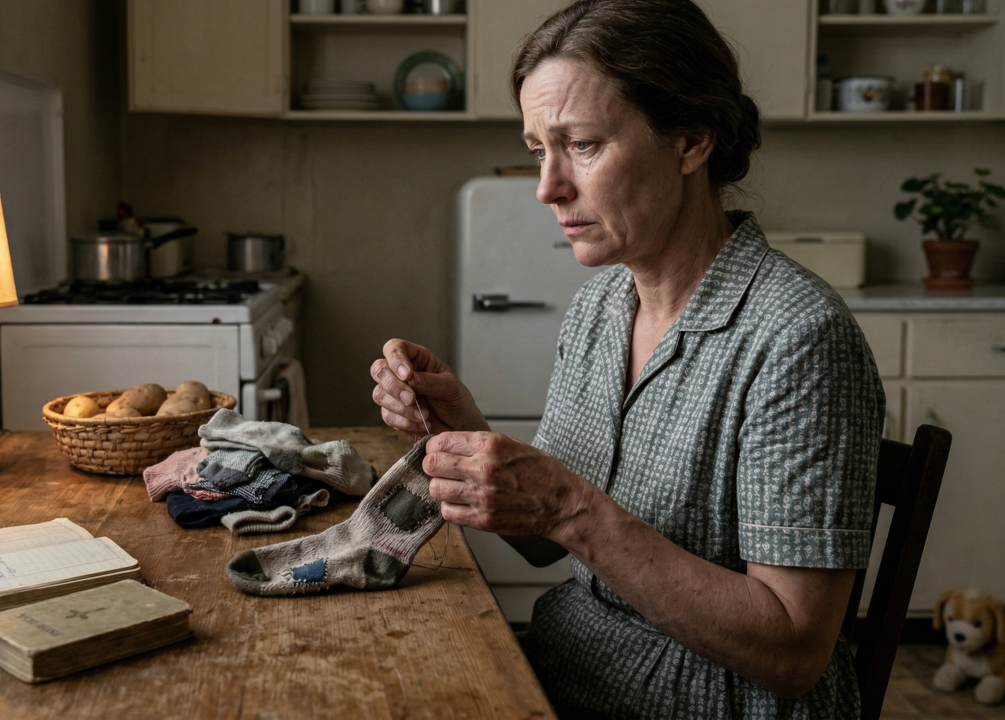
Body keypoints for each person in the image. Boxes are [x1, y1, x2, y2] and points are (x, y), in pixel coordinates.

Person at [370, 2, 883, 718]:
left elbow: (793, 652)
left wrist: (571, 508)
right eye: (536, 149)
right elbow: (549, 545)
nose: (547, 187)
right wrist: (457, 424)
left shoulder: (797, 339)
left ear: (691, 140)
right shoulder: (602, 306)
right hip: (563, 674)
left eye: (580, 144)